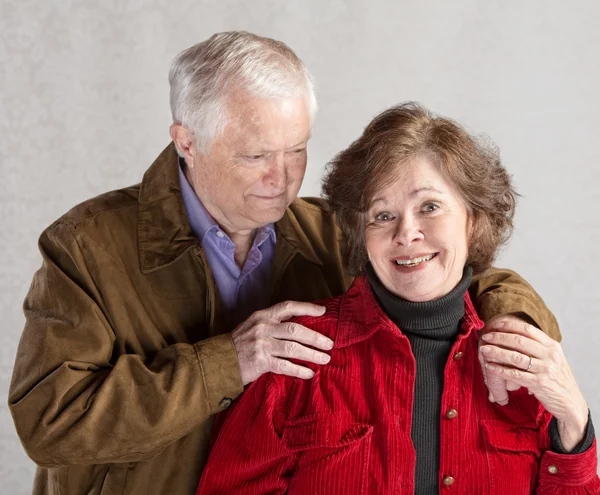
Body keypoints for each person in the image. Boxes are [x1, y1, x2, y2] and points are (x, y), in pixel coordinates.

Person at [9, 32, 559, 495]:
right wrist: (229, 362)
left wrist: (514, 319)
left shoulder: (326, 229)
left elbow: (452, 266)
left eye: (296, 149)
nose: (284, 178)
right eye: (255, 156)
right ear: (187, 141)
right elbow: (50, 423)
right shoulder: (86, 246)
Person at [196, 103, 599, 494]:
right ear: (361, 233)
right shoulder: (295, 356)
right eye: (383, 215)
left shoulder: (524, 362)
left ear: (473, 219)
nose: (406, 233)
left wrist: (575, 423)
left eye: (430, 207)